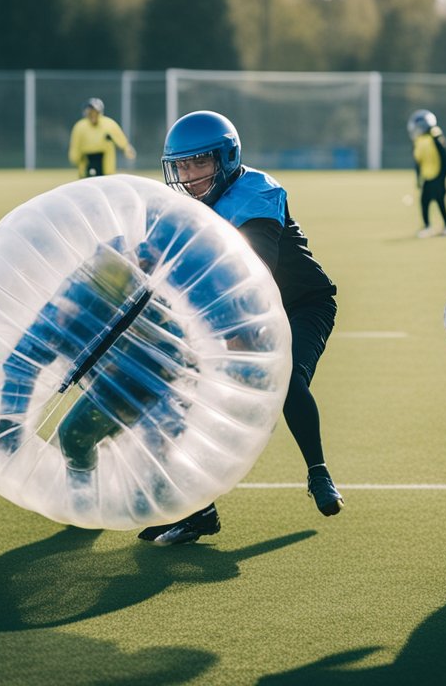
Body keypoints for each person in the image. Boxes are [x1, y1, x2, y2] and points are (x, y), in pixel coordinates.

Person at [144, 110, 344, 545]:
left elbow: (256, 272)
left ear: (227, 158)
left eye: (200, 163)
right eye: (181, 165)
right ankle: (197, 510)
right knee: (180, 394)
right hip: (232, 311)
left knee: (286, 379)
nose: (189, 175)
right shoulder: (186, 205)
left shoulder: (257, 191)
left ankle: (318, 472)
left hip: (299, 304)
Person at [408, 109, 446, 238]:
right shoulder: (420, 141)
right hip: (427, 177)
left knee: (440, 201)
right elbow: (418, 162)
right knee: (424, 201)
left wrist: (443, 177)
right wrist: (418, 179)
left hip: (438, 176)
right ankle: (428, 226)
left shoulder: (436, 138)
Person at [67, 97, 135, 178]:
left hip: (105, 163)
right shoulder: (80, 127)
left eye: (95, 112)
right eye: (90, 112)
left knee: (105, 185)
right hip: (87, 161)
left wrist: (127, 149)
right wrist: (74, 158)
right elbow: (75, 145)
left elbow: (121, 140)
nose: (92, 115)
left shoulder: (109, 124)